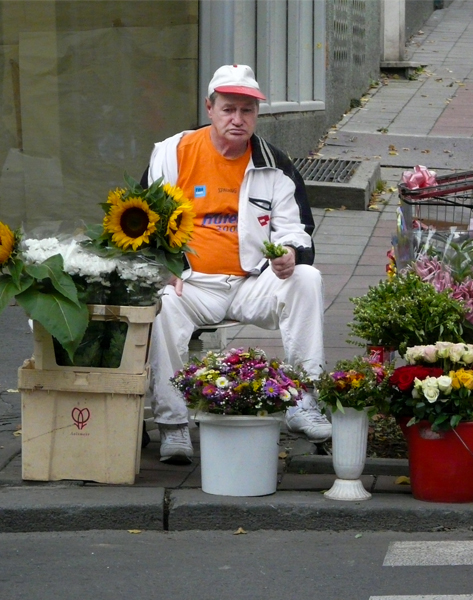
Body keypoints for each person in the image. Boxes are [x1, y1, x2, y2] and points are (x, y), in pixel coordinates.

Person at [143, 64, 330, 464]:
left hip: (251, 282)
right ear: (209, 108)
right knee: (164, 304)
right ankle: (174, 424)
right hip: (191, 283)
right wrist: (165, 264)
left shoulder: (275, 163)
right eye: (228, 109)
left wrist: (290, 253)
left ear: (257, 114)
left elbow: (297, 229)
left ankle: (303, 402)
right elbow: (144, 220)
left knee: (307, 279)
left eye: (247, 111)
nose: (237, 119)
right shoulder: (173, 152)